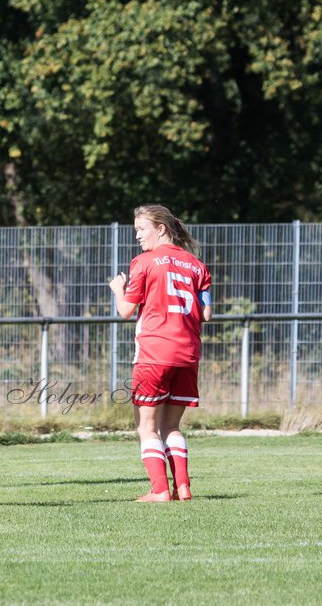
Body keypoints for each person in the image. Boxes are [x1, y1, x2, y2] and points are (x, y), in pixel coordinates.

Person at [109, 204, 213, 502]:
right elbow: (207, 314)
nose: (138, 236)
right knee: (172, 426)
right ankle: (182, 487)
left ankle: (159, 490)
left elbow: (126, 310)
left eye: (141, 229)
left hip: (154, 353)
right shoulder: (197, 266)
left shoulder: (143, 262)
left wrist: (118, 288)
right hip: (188, 355)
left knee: (146, 426)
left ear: (161, 229)